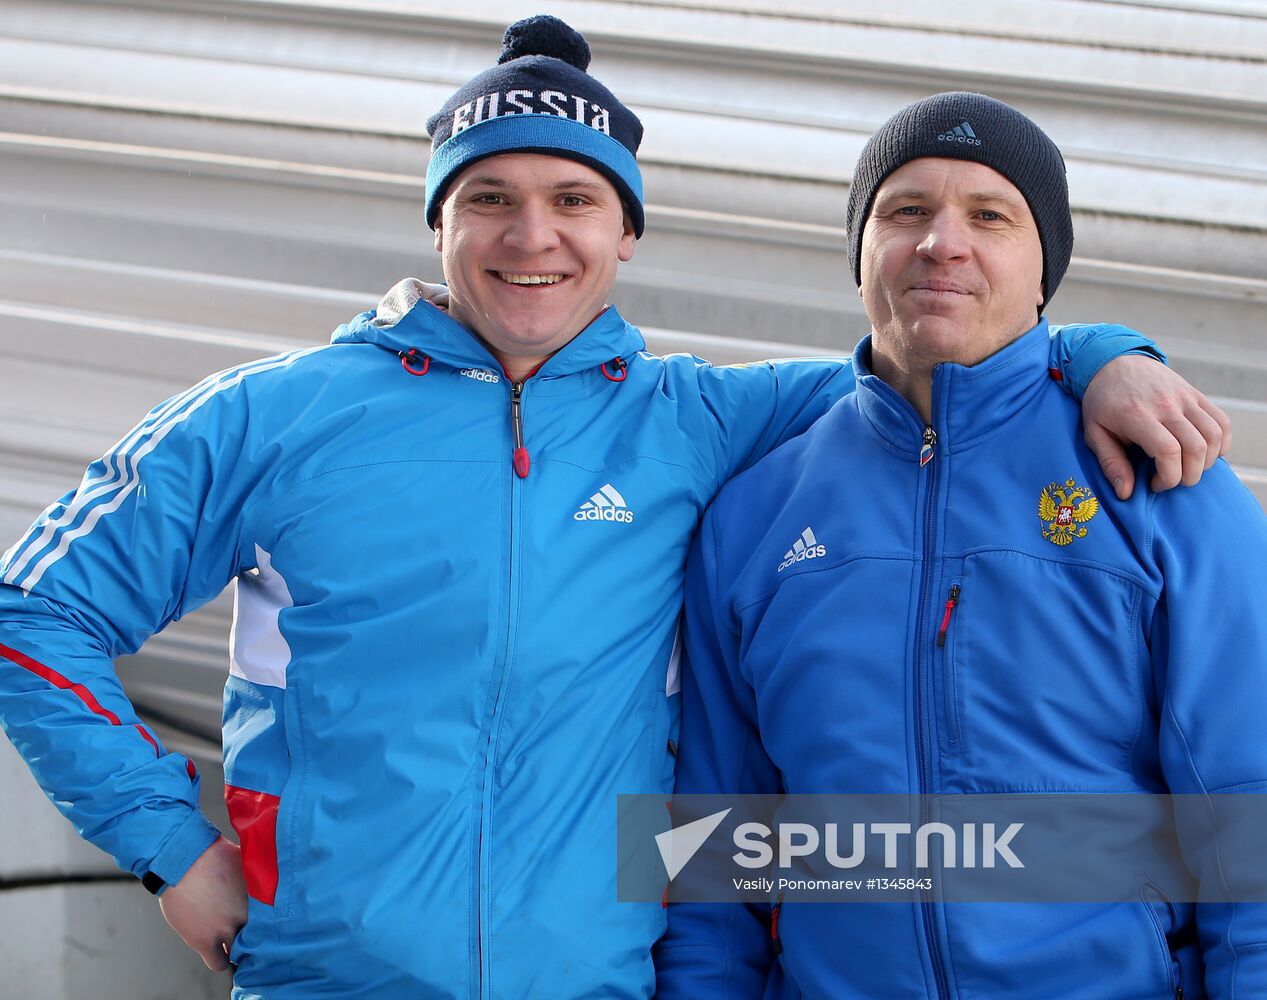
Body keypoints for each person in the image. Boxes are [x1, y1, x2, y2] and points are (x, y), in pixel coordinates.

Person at [0, 18, 1232, 999]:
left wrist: (1103, 353)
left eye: (575, 199)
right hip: (336, 977)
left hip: (596, 982)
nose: (531, 235)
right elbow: (30, 612)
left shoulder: (696, 420)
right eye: (487, 196)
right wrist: (174, 847)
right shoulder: (273, 418)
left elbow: (941, 360)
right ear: (437, 219)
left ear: (626, 230)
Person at [656, 91, 1267, 999]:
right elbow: (708, 849)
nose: (943, 242)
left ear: (1041, 271)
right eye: (905, 211)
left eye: (990, 216)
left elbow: (1246, 810)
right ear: (860, 253)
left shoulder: (1163, 480)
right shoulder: (753, 512)